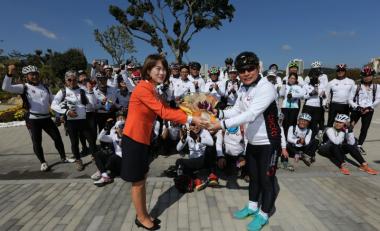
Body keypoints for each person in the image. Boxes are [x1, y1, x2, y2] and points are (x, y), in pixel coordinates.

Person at [121, 54, 206, 230]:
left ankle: (142, 213)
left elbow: (168, 108)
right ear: (148, 70)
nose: (162, 72)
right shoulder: (143, 88)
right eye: (157, 68)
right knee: (137, 182)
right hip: (133, 139)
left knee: (142, 178)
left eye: (164, 69)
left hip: (143, 139)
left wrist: (193, 112)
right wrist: (191, 119)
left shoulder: (153, 89)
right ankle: (142, 217)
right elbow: (164, 112)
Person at [208, 51, 281, 231]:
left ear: (258, 68)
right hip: (252, 142)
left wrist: (221, 125)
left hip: (269, 143)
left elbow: (250, 114)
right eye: (242, 70)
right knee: (254, 177)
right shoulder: (243, 87)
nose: (246, 73)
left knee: (266, 180)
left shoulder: (266, 87)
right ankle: (252, 206)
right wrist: (221, 113)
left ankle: (264, 215)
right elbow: (238, 110)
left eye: (250, 69)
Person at [2, 64, 70, 171]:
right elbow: (6, 87)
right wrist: (9, 74)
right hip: (33, 120)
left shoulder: (45, 88)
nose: (34, 76)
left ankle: (64, 157)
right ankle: (43, 162)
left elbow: (53, 102)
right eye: (31, 75)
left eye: (36, 74)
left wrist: (58, 115)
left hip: (47, 118)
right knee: (37, 142)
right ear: (26, 77)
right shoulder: (23, 87)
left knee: (57, 137)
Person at [51, 70, 97, 171]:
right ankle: (78, 160)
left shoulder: (81, 90)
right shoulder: (63, 91)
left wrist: (90, 91)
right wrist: (66, 112)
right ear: (66, 80)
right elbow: (53, 105)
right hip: (71, 122)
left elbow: (92, 104)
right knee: (74, 143)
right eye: (69, 80)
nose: (72, 82)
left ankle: (95, 157)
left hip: (83, 120)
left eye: (74, 79)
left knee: (91, 140)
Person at [349, 66, 380, 155]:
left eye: (369, 75)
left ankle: (359, 145)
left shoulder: (376, 87)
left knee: (364, 129)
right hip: (357, 110)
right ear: (362, 76)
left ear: (372, 76)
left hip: (369, 110)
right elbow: (350, 99)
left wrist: (370, 107)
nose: (367, 77)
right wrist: (357, 107)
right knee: (350, 127)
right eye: (365, 76)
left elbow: (378, 99)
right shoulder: (356, 87)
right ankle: (347, 141)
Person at [175, 123, 214, 191]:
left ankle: (212, 174)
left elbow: (212, 143)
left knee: (210, 148)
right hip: (193, 162)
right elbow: (178, 148)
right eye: (193, 125)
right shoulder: (188, 134)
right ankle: (195, 181)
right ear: (189, 126)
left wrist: (198, 138)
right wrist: (184, 137)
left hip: (203, 160)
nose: (195, 127)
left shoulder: (205, 132)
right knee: (179, 162)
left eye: (197, 124)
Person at [91, 120, 124, 187]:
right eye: (119, 127)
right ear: (116, 129)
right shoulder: (114, 136)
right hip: (114, 161)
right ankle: (104, 175)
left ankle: (103, 171)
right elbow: (100, 138)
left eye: (123, 127)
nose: (121, 129)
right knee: (98, 154)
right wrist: (105, 128)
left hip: (123, 163)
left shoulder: (128, 136)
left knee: (113, 157)